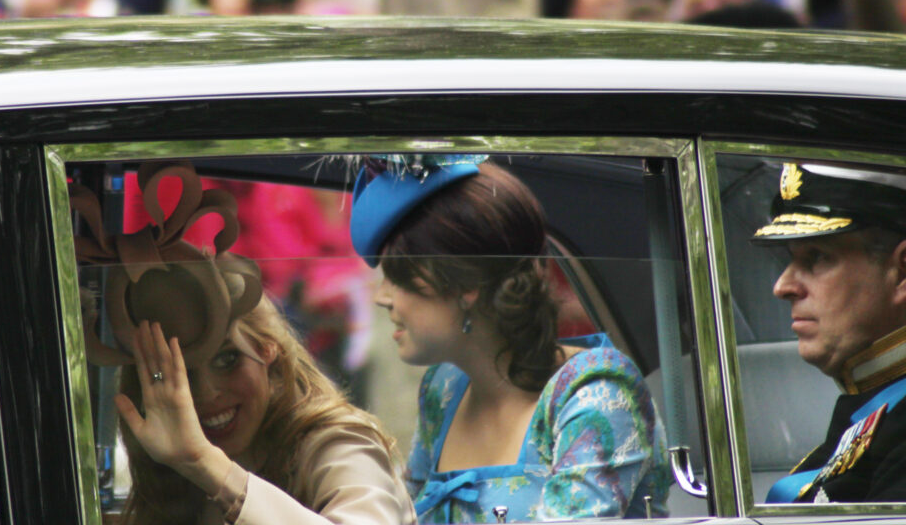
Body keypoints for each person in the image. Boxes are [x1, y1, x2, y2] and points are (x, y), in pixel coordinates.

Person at [69, 161, 416, 525]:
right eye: (179, 375)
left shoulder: (334, 443)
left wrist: (206, 465)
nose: (207, 393)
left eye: (228, 360)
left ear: (269, 349)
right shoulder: (169, 473)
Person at [347, 155, 670, 522]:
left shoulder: (596, 393)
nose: (382, 297)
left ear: (465, 284)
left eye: (399, 276)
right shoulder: (443, 390)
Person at [752, 162, 906, 503]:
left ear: (902, 271)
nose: (782, 286)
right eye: (790, 259)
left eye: (818, 257)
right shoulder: (875, 412)